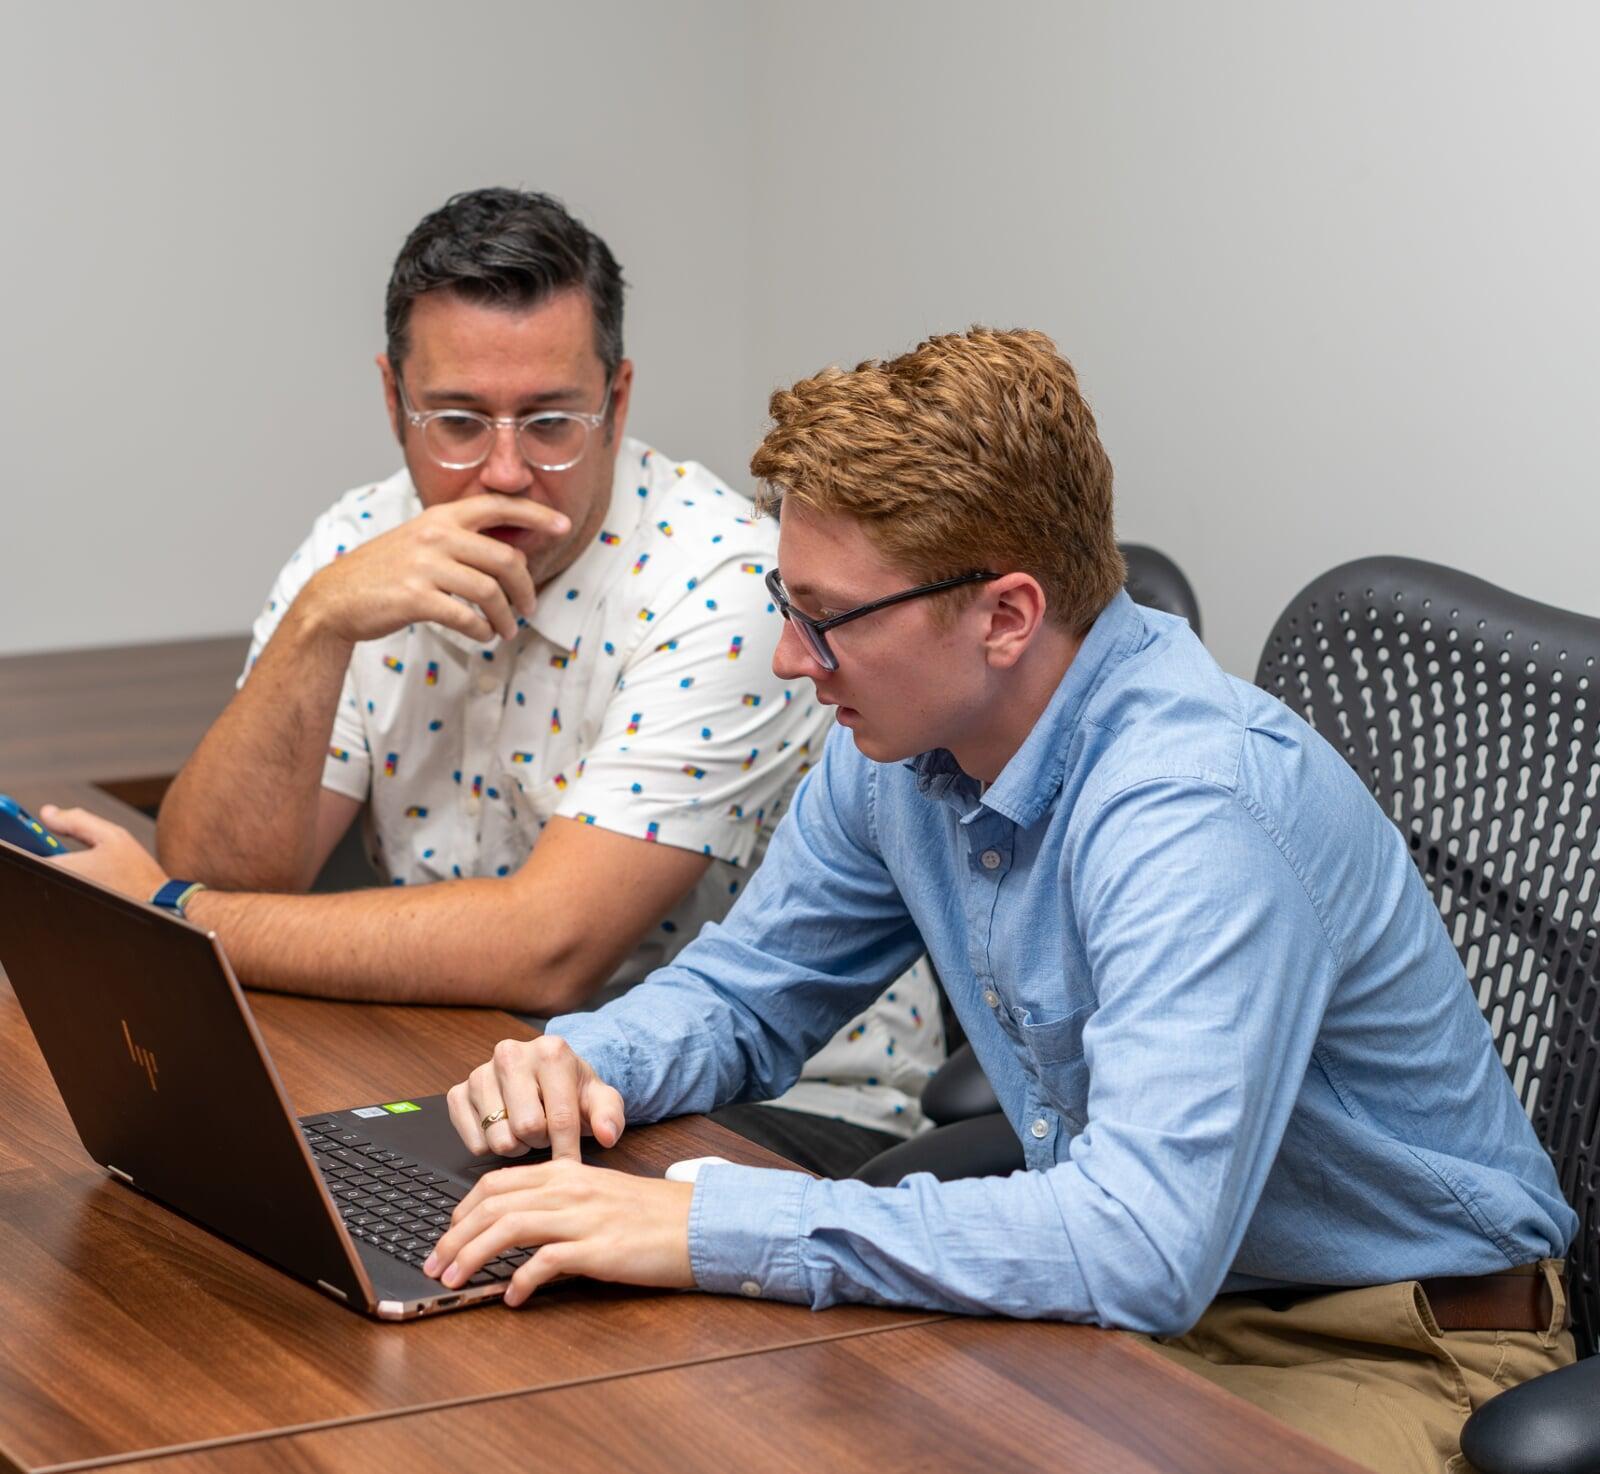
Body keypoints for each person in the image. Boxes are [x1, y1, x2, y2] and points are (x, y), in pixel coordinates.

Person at [419, 328, 1577, 1474]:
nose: (789, 657)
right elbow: (748, 993)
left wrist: (710, 1223)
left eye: (826, 618)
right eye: (785, 599)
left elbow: (1137, 1243)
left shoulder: (1194, 811)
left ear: (1007, 616)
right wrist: (586, 1063)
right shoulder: (898, 747)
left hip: (1382, 1343)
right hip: (1144, 1308)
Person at [42, 188, 943, 1177]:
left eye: (551, 421)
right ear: (393, 399)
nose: (504, 471)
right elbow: (234, 870)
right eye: (459, 421)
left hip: (768, 1107)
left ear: (617, 402)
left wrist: (173, 908)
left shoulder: (722, 583)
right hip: (476, 1062)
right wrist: (317, 624)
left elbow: (548, 950)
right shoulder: (359, 543)